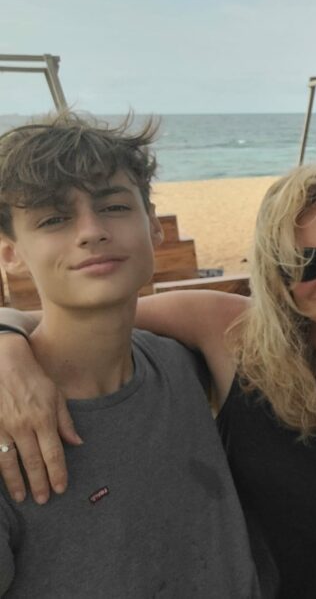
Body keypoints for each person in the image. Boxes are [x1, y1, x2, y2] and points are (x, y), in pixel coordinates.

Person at [0, 161, 316, 598]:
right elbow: (57, 316)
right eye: (307, 262)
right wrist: (7, 348)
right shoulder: (228, 330)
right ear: (276, 269)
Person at [0, 113, 261, 596]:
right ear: (10, 253)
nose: (91, 231)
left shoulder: (182, 363)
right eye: (54, 218)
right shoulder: (8, 421)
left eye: (114, 207)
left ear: (154, 225)